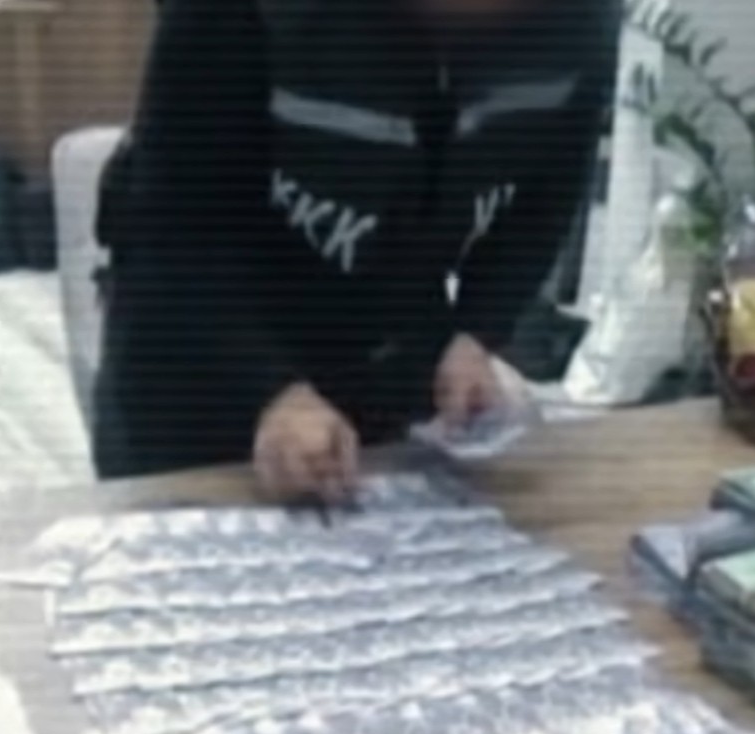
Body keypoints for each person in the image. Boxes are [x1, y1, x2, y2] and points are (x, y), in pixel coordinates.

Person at [93, 0, 616, 495]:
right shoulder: (246, 12)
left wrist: (477, 329)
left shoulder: (579, 23)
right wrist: (269, 390)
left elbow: (547, 197)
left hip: (384, 360)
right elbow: (173, 227)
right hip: (196, 368)